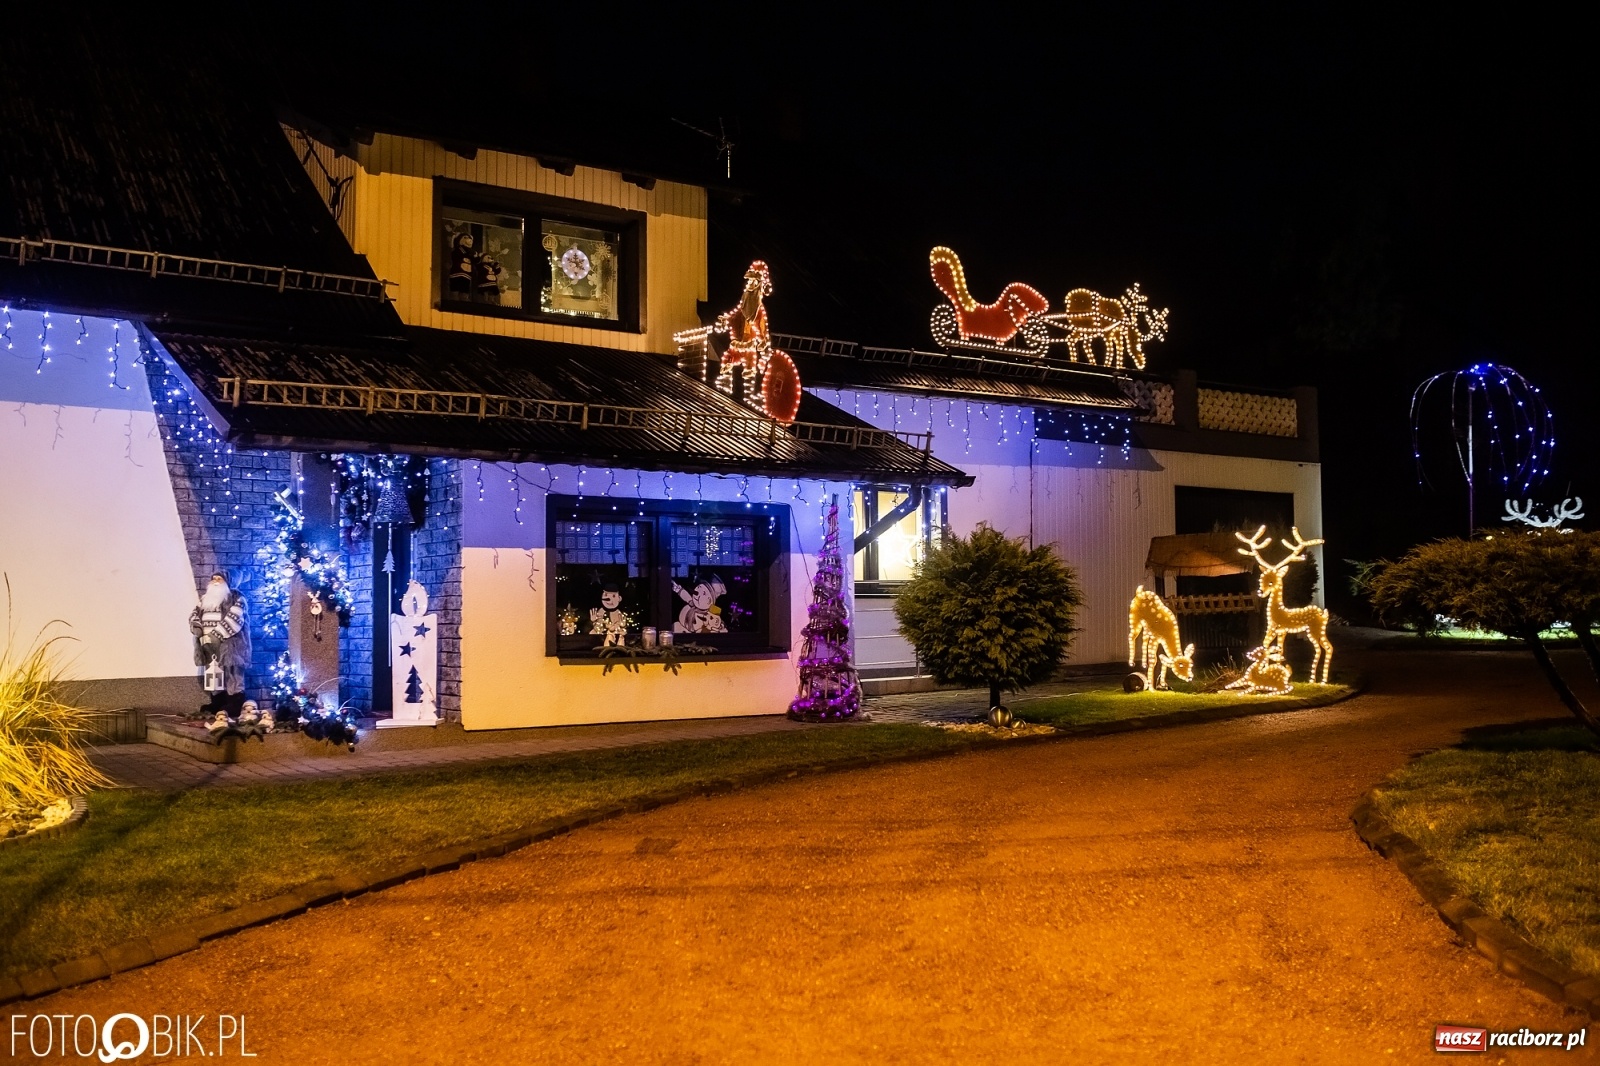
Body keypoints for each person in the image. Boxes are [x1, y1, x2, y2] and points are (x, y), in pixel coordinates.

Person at [190, 571, 252, 715]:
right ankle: (217, 703)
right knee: (214, 674)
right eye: (213, 579)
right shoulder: (205, 599)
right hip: (208, 645)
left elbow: (235, 618)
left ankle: (234, 704)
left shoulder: (236, 598)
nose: (216, 581)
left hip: (229, 644)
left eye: (220, 579)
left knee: (233, 674)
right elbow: (194, 615)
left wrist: (215, 634)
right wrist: (197, 628)